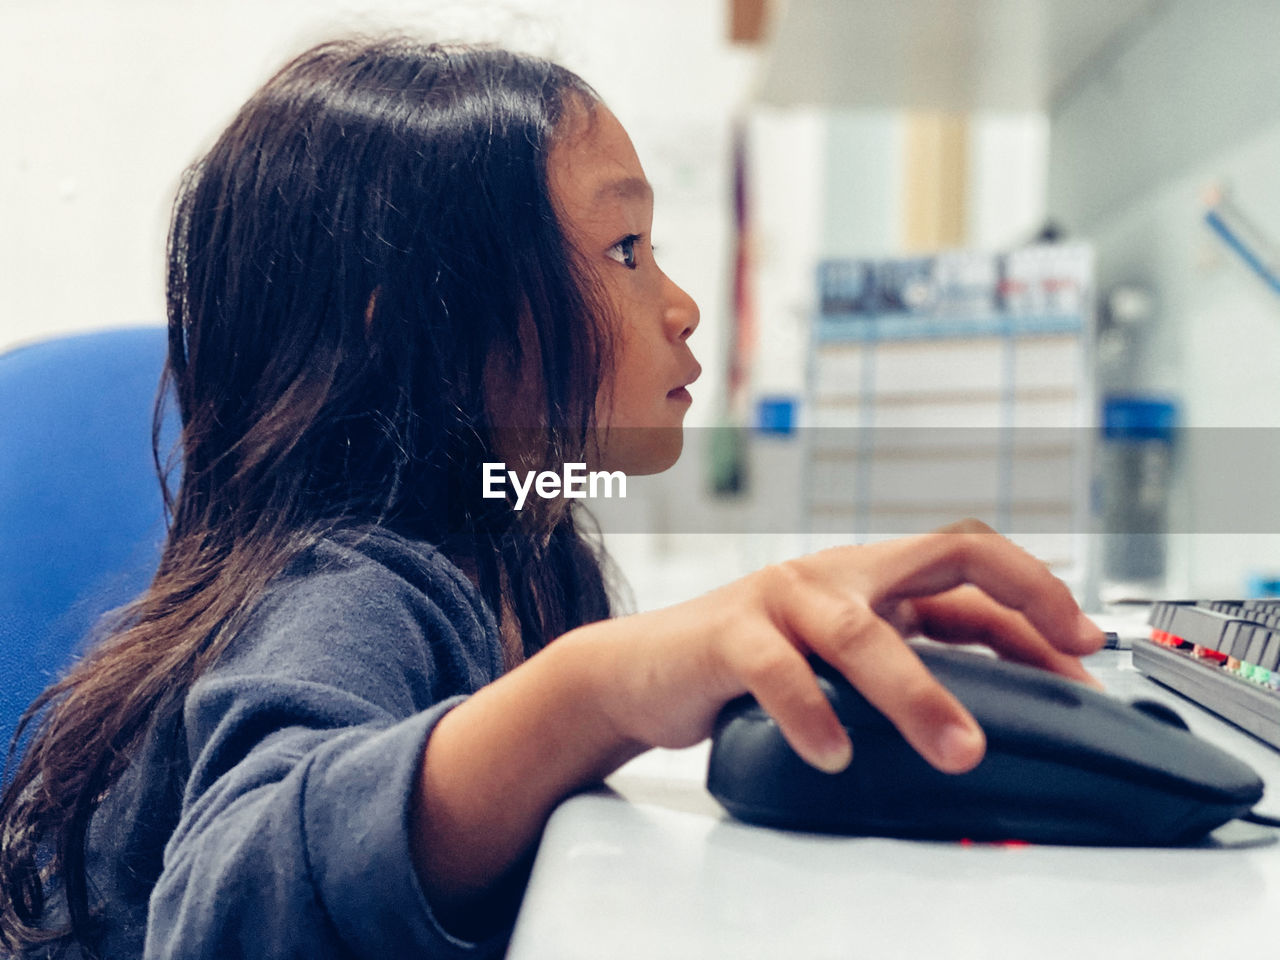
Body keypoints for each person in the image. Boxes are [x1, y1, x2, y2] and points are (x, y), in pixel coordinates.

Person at [0, 35, 1104, 959]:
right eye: (624, 250)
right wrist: (601, 689)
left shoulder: (530, 540)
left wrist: (764, 657)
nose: (679, 305)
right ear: (422, 330)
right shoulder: (344, 588)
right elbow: (223, 907)